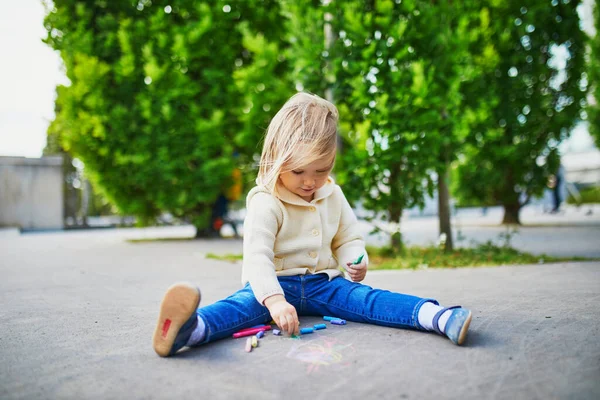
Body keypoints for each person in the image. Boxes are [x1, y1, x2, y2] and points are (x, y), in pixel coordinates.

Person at [152, 93, 472, 357]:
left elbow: (348, 237)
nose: (310, 182)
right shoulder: (266, 201)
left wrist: (356, 259)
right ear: (277, 159)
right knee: (239, 306)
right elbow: (257, 258)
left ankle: (437, 316)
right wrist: (274, 300)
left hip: (324, 283)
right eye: (299, 172)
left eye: (321, 170)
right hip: (275, 285)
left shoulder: (332, 193)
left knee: (368, 298)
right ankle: (190, 330)